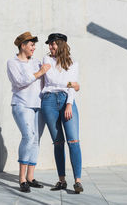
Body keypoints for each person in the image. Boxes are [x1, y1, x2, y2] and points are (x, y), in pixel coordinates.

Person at [6, 31, 51, 193]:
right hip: (22, 105)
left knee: (36, 140)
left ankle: (31, 177)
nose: (34, 48)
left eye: (34, 45)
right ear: (23, 45)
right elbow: (19, 82)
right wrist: (40, 73)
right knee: (28, 136)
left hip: (39, 105)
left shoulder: (37, 62)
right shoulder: (13, 63)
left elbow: (49, 78)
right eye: (31, 45)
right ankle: (22, 179)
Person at [41, 33, 83, 194]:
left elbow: (71, 88)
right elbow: (52, 80)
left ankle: (77, 181)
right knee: (58, 143)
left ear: (61, 45)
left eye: (53, 44)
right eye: (49, 45)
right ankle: (62, 180)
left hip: (67, 100)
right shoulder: (47, 60)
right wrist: (71, 83)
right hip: (49, 101)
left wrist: (69, 104)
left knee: (74, 141)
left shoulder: (73, 63)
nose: (50, 47)